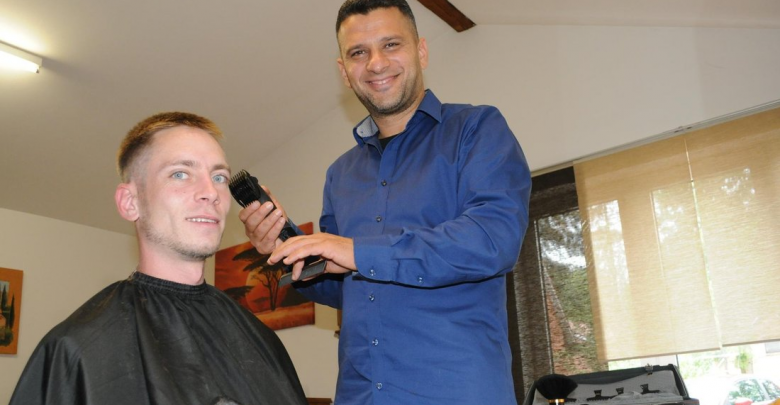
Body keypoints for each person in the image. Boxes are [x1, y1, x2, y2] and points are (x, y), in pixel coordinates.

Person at [239, 0, 531, 403]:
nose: (376, 63)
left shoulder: (477, 129)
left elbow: (492, 240)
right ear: (344, 71)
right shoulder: (340, 173)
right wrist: (285, 248)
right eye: (358, 52)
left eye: (391, 44)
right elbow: (343, 289)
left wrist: (358, 251)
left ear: (421, 51)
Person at [10, 112, 308, 405]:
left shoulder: (263, 341)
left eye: (219, 177)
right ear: (130, 202)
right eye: (180, 174)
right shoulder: (75, 350)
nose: (211, 192)